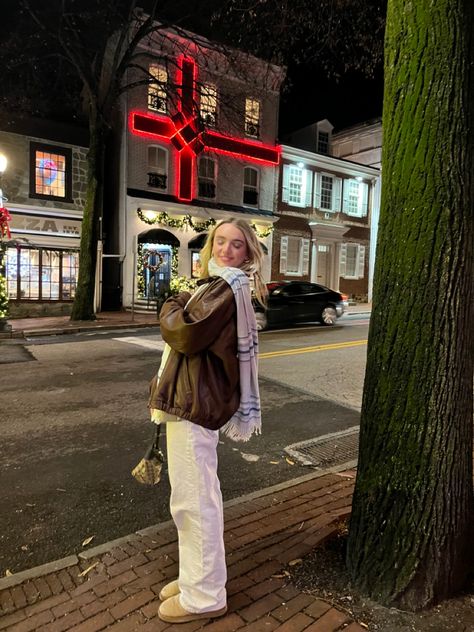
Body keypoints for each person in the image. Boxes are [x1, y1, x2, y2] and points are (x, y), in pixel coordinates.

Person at [148, 218, 267, 624]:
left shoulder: (224, 288)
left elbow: (185, 333)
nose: (225, 250)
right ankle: (194, 578)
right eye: (220, 241)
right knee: (192, 498)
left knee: (194, 502)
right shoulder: (220, 284)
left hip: (195, 403)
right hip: (194, 400)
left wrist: (171, 302)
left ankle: (203, 596)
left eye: (236, 245)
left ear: (248, 252)